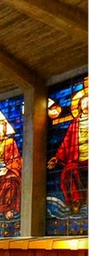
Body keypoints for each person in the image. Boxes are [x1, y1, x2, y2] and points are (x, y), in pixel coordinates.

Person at [47, 83, 87, 214]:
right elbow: (66, 143)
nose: (87, 105)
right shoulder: (74, 124)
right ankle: (77, 200)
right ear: (79, 106)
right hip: (78, 159)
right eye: (84, 103)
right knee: (69, 170)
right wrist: (56, 159)